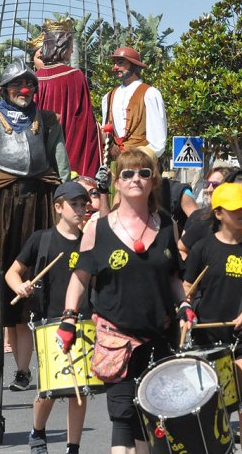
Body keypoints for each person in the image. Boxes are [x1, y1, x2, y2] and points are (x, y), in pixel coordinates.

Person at [0, 57, 71, 393]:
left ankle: (26, 370)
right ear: (5, 90)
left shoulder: (48, 120)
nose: (25, 90)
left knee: (39, 282)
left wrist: (72, 199)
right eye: (18, 85)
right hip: (0, 205)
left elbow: (61, 165)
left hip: (41, 204)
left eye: (30, 84)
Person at [58, 148, 183, 453]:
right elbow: (80, 278)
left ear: (153, 180)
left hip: (160, 339)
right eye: (127, 174)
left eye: (143, 172)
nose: (136, 179)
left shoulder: (167, 225)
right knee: (124, 417)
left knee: (156, 420)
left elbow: (173, 278)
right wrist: (69, 318)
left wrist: (185, 306)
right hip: (118, 339)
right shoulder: (96, 229)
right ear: (117, 181)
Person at [180, 182, 242, 454]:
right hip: (207, 334)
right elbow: (187, 288)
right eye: (235, 209)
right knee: (212, 405)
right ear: (219, 213)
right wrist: (185, 310)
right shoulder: (202, 248)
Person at [5, 182, 91, 454]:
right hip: (48, 323)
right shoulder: (42, 239)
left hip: (83, 321)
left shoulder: (90, 242)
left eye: (83, 204)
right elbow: (12, 272)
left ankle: (73, 447)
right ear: (58, 207)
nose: (80, 209)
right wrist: (21, 286)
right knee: (51, 388)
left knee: (80, 388)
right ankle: (38, 430)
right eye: (73, 204)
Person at [35, 18, 101, 178]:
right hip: (70, 154)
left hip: (40, 159)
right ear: (62, 46)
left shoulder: (34, 78)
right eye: (70, 46)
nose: (72, 51)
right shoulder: (75, 76)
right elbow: (84, 124)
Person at [101, 46, 167, 158]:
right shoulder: (108, 96)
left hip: (142, 162)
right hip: (116, 163)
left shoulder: (150, 93)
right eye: (115, 63)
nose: (115, 67)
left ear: (133, 65)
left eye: (120, 63)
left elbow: (158, 140)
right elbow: (106, 131)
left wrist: (141, 158)